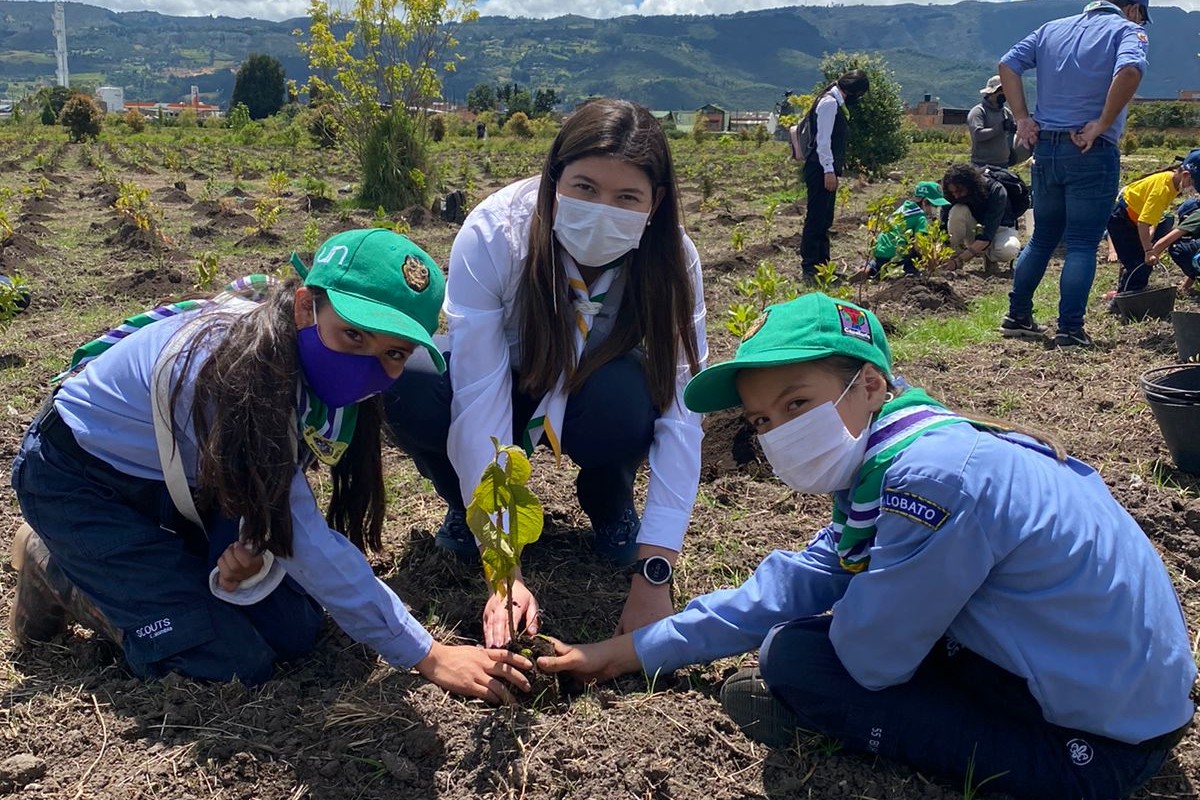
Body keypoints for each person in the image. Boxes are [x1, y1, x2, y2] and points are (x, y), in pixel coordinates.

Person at [537, 292, 1197, 800]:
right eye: (763, 420)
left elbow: (870, 658)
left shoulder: (930, 481)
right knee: (802, 631)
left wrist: (849, 605)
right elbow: (800, 577)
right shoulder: (915, 449)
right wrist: (625, 653)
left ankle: (838, 727)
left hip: (1095, 748)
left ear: (871, 385)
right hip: (1118, 697)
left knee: (798, 659)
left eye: (797, 404)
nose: (777, 433)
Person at [8, 229, 533, 702]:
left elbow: (275, 505)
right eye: (354, 335)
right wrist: (429, 655)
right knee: (225, 662)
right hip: (81, 480)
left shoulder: (305, 371)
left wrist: (256, 554)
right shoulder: (234, 369)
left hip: (188, 475)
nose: (371, 364)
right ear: (307, 306)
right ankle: (55, 566)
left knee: (295, 631)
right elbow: (303, 535)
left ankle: (166, 570)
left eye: (394, 353)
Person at [383, 99, 708, 648]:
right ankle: (468, 510)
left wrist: (657, 570)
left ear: (655, 205)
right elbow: (479, 396)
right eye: (584, 187)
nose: (602, 208)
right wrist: (503, 565)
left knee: (631, 395)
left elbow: (682, 408)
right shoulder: (494, 235)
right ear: (553, 179)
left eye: (626, 197)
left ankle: (610, 505)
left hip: (589, 390)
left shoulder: (673, 261)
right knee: (413, 379)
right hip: (503, 382)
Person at [998, 0, 1150, 349]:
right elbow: (1129, 71)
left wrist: (1022, 118)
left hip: (1047, 147)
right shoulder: (1128, 31)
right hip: (1089, 148)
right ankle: (1069, 328)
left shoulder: (1051, 29)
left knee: (1042, 237)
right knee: (1082, 242)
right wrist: (1103, 123)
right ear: (1132, 9)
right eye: (1142, 15)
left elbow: (1008, 64)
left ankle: (1018, 315)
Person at [797, 70, 871, 282]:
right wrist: (828, 170)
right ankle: (810, 268)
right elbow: (823, 141)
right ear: (852, 90)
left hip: (824, 168)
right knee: (816, 217)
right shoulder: (829, 103)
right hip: (820, 168)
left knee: (824, 218)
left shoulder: (832, 100)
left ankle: (823, 268)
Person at [1104, 150, 1200, 296]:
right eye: (1194, 184)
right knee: (1138, 263)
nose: (1192, 189)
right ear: (1185, 175)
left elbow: (1152, 215)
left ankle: (1125, 291)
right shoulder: (1163, 189)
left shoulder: (1171, 180)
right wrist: (1149, 251)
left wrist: (1150, 236)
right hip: (1122, 219)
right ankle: (1124, 300)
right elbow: (1143, 222)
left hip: (1130, 218)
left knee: (1137, 260)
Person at [853, 181, 949, 281]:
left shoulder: (902, 209)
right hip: (897, 254)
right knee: (917, 250)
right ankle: (910, 272)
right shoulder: (920, 217)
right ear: (925, 202)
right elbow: (919, 246)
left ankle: (869, 268)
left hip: (880, 251)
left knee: (878, 264)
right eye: (935, 206)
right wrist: (931, 260)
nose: (936, 210)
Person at [939, 163, 1023, 274]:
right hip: (975, 228)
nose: (956, 196)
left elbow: (986, 236)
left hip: (1000, 228)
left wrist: (959, 261)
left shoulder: (996, 191)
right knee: (957, 210)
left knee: (1007, 250)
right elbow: (943, 226)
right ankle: (954, 254)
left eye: (959, 191)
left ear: (971, 186)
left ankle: (990, 258)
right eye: (952, 192)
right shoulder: (952, 196)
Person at [967, 75, 1030, 169]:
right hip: (982, 164)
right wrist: (1000, 128)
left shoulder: (1006, 112)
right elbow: (977, 135)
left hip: (1003, 164)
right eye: (1001, 90)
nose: (1004, 93)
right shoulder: (978, 112)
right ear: (991, 93)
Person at [1149, 195, 1200, 294]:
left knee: (1178, 247)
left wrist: (1149, 256)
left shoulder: (1197, 216)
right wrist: (1184, 287)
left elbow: (1165, 241)